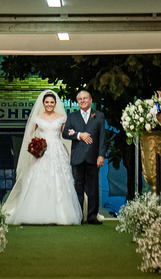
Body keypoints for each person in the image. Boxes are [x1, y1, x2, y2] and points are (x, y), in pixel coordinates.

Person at [2, 91, 83, 225]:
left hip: (57, 150)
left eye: (52, 102)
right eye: (47, 102)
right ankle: (35, 213)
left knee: (59, 180)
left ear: (55, 103)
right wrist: (33, 146)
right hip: (42, 151)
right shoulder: (37, 118)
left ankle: (61, 215)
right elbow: (29, 134)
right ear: (43, 104)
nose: (49, 105)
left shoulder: (62, 117)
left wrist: (74, 136)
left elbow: (65, 134)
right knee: (39, 179)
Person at [63, 90, 107, 225]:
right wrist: (78, 135)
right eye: (80, 99)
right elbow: (65, 133)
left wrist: (101, 155)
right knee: (78, 187)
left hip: (93, 157)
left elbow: (102, 137)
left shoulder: (99, 116)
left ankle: (92, 216)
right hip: (77, 157)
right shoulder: (72, 116)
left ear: (91, 100)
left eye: (85, 98)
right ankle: (79, 216)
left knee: (93, 187)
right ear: (77, 102)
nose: (82, 101)